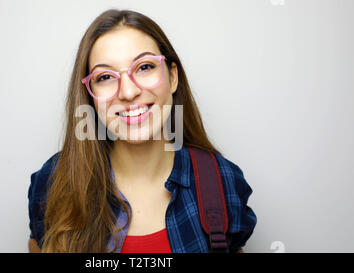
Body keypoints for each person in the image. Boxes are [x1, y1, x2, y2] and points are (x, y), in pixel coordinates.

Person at [28, 9, 256, 253]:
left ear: (173, 77)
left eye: (145, 67)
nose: (127, 92)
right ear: (89, 95)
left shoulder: (223, 180)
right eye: (105, 76)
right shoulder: (54, 181)